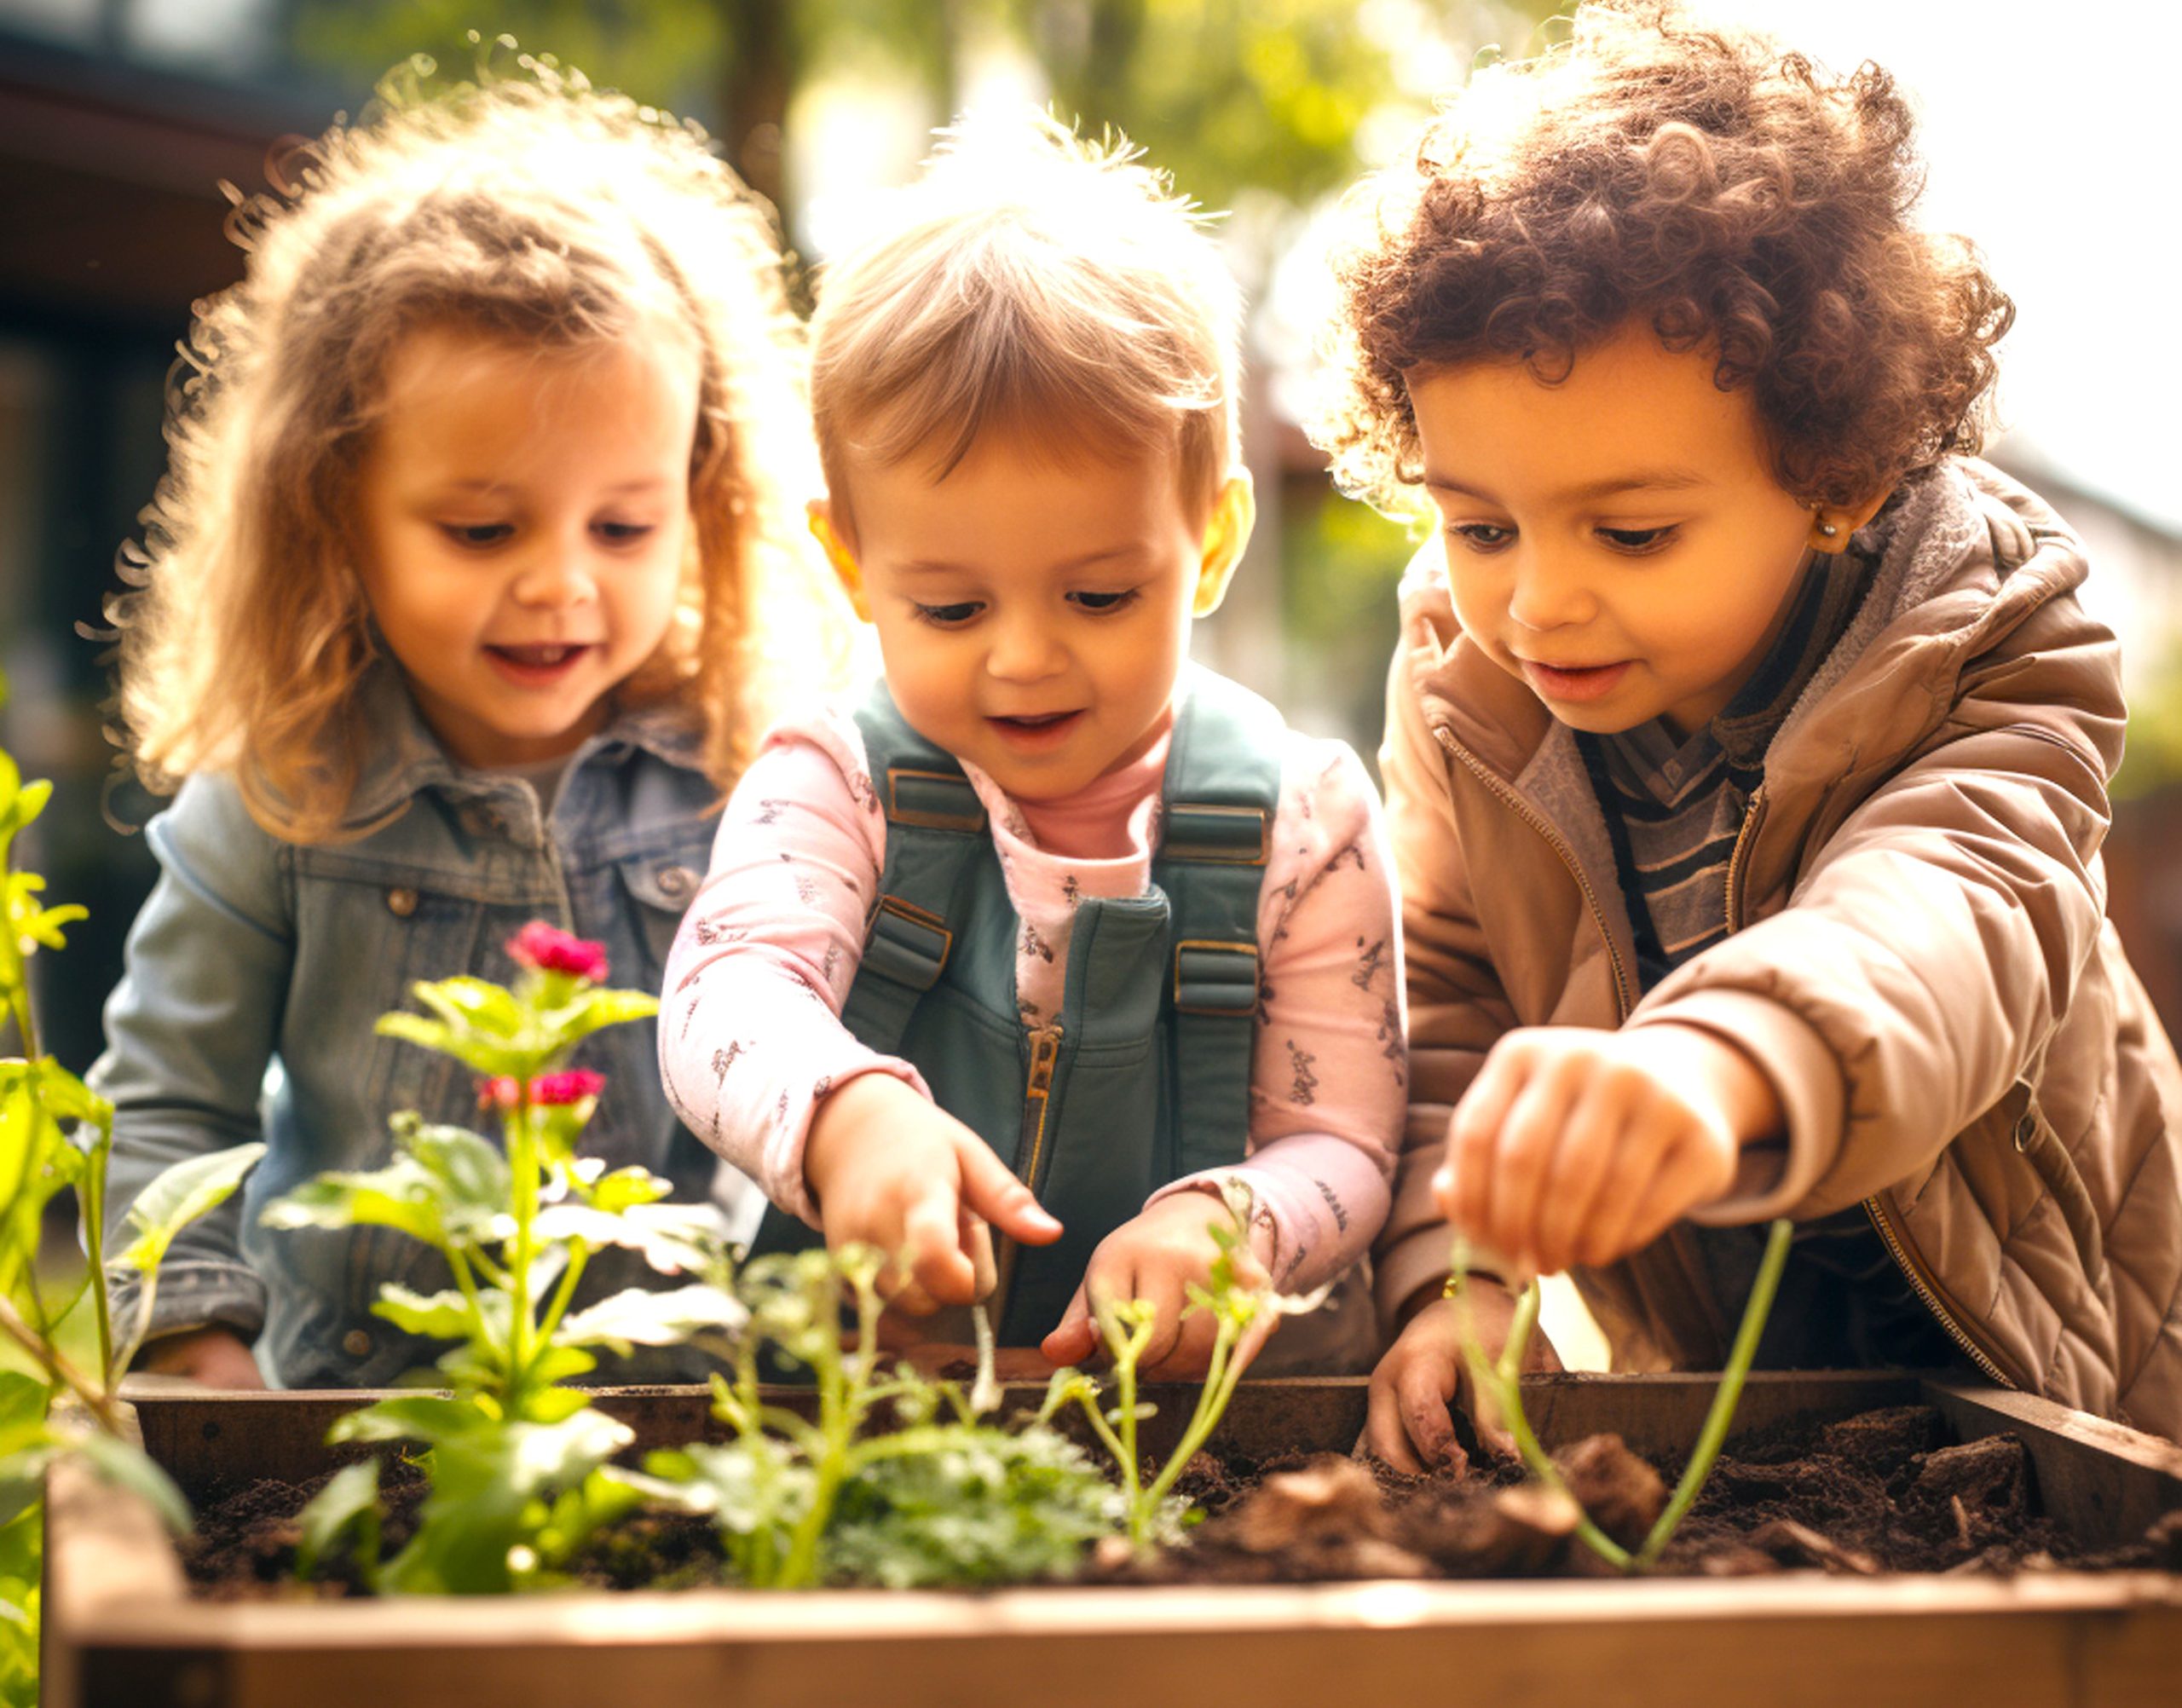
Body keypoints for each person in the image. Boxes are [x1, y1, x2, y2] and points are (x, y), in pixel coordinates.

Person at [1309, 1, 2182, 1463]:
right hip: (1732, 1392)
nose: (1538, 604)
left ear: (1834, 475)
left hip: (2074, 1371)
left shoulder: (1997, 639)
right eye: (1479, 524)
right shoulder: (1466, 682)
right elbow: (1448, 995)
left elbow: (1952, 908)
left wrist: (1713, 1061)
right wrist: (1461, 1275)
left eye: (1634, 532)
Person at [93, 66, 839, 1388]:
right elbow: (167, 1111)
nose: (558, 582)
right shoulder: (283, 796)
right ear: (334, 510)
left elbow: (811, 1097)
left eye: (623, 527)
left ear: (703, 501)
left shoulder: (749, 782)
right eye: (481, 529)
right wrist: (194, 1344)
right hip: (354, 1424)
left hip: (676, 1438)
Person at [661, 117, 1404, 1377]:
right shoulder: (837, 778)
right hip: (868, 1410)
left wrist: (1237, 1225)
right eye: (951, 608)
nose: (1023, 658)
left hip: (1203, 1435)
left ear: (1211, 544)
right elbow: (722, 1003)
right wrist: (849, 1117)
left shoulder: (1302, 819)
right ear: (851, 563)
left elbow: (1347, 1140)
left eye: (1100, 596)